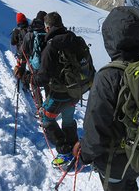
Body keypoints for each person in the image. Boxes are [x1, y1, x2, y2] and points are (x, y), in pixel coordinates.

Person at [77, 6, 139, 191]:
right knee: (130, 184)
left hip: (114, 161)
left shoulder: (108, 77)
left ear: (111, 38)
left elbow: (95, 127)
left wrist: (84, 154)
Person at [24, 12, 80, 167]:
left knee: (47, 120)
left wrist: (28, 78)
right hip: (76, 92)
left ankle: (64, 152)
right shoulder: (75, 40)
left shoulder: (51, 47)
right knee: (68, 120)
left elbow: (42, 78)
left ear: (47, 27)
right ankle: (76, 149)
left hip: (58, 94)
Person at [21, 11, 48, 107]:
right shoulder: (47, 31)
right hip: (47, 62)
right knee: (47, 83)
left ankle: (40, 106)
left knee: (35, 83)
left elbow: (23, 49)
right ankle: (49, 107)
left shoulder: (30, 33)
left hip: (34, 63)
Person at [10, 12, 29, 88]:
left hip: (21, 54)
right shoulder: (30, 29)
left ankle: (22, 82)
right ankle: (27, 82)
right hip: (30, 53)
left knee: (21, 67)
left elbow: (13, 42)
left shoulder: (17, 31)